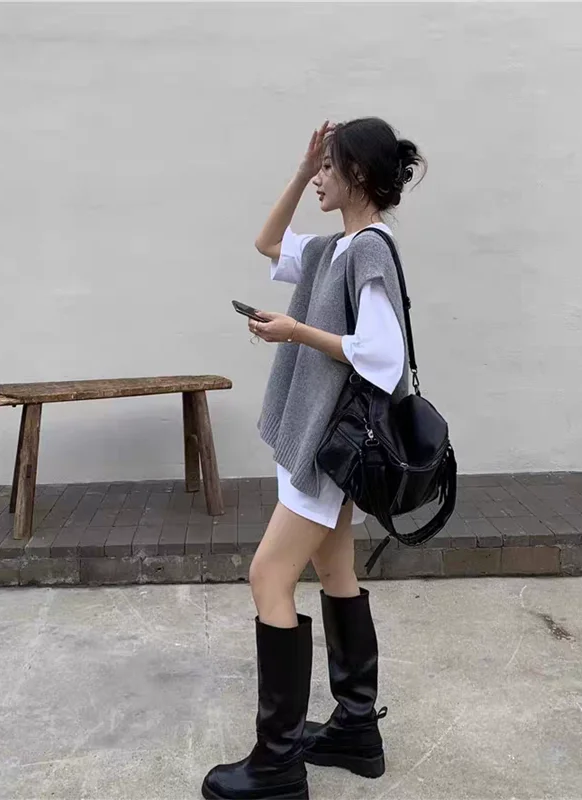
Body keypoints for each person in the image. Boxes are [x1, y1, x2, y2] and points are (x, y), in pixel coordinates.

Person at [201, 118, 426, 800]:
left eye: (329, 168)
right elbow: (268, 242)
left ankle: (276, 765)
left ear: (358, 174)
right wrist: (300, 173)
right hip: (327, 443)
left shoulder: (369, 251)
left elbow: (383, 356)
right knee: (334, 569)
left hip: (328, 450)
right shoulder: (335, 248)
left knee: (268, 576)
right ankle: (356, 730)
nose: (320, 177)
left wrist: (296, 330)